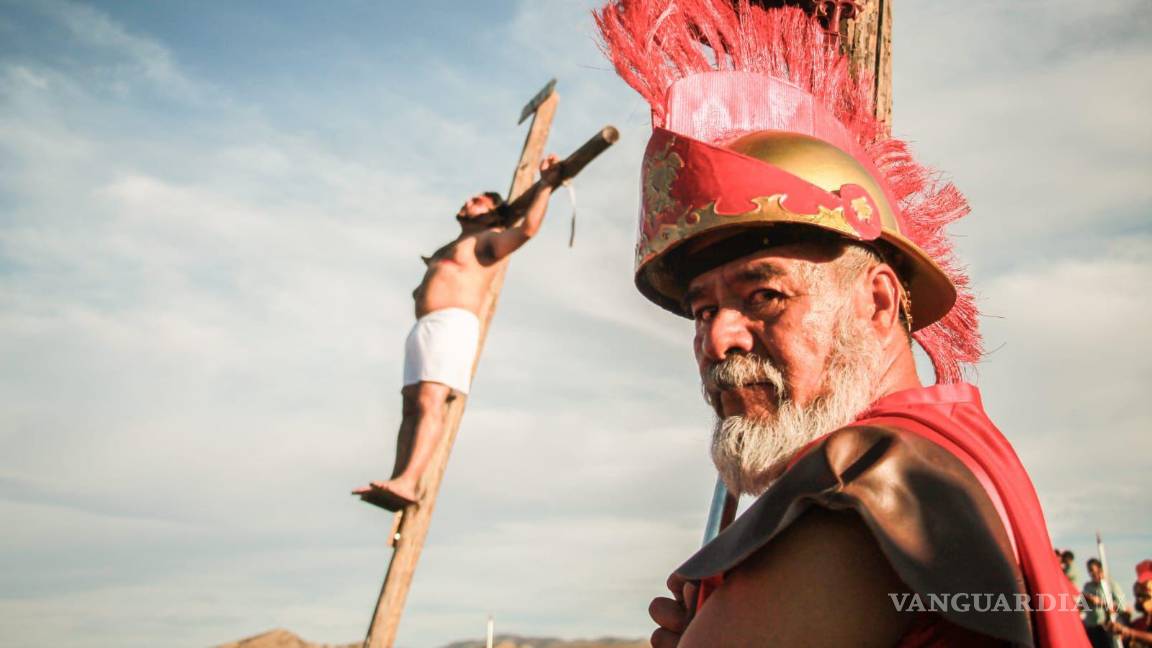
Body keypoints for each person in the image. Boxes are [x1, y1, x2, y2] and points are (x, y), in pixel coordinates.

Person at [593, 1, 1088, 645]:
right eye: (703, 309)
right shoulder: (954, 448)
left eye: (764, 295)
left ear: (878, 303)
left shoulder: (870, 476)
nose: (719, 339)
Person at [352, 155, 562, 510]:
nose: (468, 202)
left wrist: (546, 185)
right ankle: (398, 478)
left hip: (453, 325)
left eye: (478, 200)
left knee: (430, 401)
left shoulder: (487, 240)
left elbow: (526, 231)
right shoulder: (447, 247)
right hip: (425, 328)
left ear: (494, 213)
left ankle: (411, 481)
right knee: (410, 406)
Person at [1083, 557, 1132, 647]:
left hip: (1106, 627)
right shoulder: (1087, 586)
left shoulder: (1110, 584)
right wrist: (1085, 600)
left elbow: (1121, 606)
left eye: (1092, 570)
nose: (1091, 573)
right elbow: (1084, 607)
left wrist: (1102, 603)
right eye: (1089, 571)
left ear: (1100, 569)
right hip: (1092, 627)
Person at [1106, 560, 1152, 647]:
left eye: (1143, 596)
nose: (1139, 600)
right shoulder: (1138, 623)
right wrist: (1122, 621)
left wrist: (1129, 632)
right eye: (1137, 596)